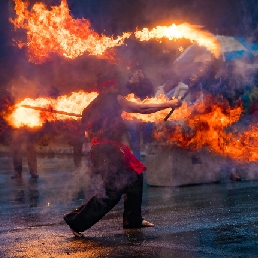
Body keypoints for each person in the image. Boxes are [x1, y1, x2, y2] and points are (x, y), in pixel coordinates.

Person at [63, 76, 181, 237]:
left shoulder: (90, 106)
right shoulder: (113, 99)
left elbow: (86, 130)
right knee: (112, 192)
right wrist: (169, 104)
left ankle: (133, 219)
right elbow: (142, 109)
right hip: (107, 151)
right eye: (112, 86)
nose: (115, 89)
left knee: (134, 177)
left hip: (103, 149)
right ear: (105, 88)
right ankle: (77, 222)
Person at [123, 63, 155, 160]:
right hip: (132, 114)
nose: (137, 74)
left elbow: (151, 94)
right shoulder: (128, 83)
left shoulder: (147, 83)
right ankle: (137, 157)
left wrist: (144, 80)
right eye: (135, 72)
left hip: (145, 113)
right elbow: (123, 95)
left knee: (148, 127)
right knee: (134, 134)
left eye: (139, 71)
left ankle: (146, 147)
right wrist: (130, 83)